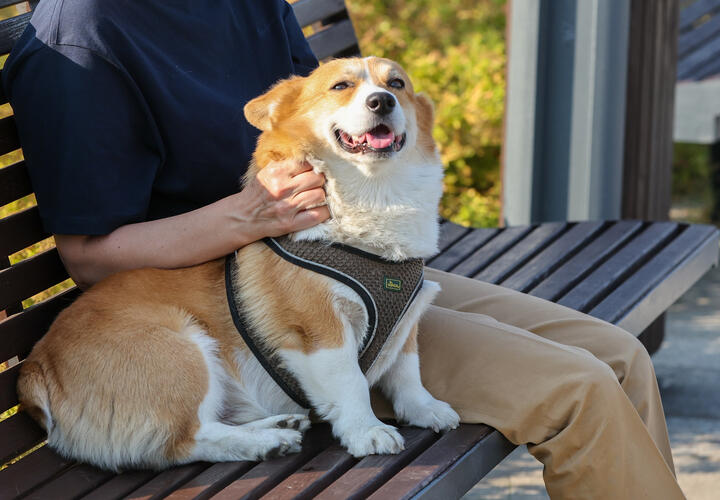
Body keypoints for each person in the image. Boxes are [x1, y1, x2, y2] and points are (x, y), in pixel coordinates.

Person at [4, 1, 685, 498]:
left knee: (618, 357)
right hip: (258, 315)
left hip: (355, 255)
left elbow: (328, 104)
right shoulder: (81, 39)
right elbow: (90, 256)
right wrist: (246, 216)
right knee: (581, 393)